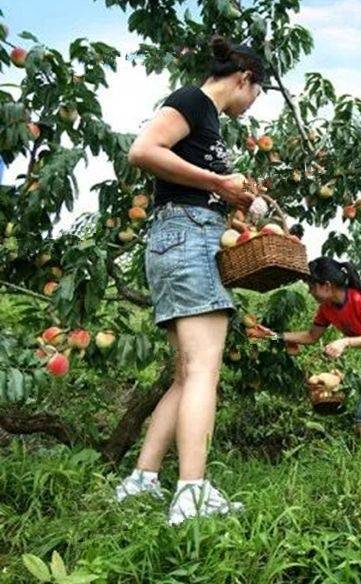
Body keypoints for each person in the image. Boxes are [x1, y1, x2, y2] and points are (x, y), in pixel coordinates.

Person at [115, 35, 265, 525]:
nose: (252, 104)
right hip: (186, 237)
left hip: (183, 236)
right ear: (244, 79)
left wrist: (232, 203)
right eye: (256, 94)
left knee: (185, 375)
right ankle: (192, 493)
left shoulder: (208, 119)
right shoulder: (191, 101)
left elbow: (194, 183)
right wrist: (220, 184)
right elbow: (143, 150)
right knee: (205, 371)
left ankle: (141, 481)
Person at [249, 257, 361, 462]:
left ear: (326, 286)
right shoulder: (326, 308)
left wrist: (345, 342)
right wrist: (272, 335)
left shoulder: (359, 300)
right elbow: (310, 337)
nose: (309, 292)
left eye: (311, 287)